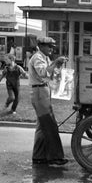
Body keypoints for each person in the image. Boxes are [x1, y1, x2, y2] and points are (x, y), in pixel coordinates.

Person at [28, 37, 69, 165]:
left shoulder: (45, 57)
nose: (51, 49)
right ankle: (55, 157)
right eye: (49, 46)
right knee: (50, 126)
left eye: (52, 46)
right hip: (39, 92)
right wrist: (55, 62)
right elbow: (43, 73)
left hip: (43, 91)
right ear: (41, 46)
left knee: (42, 126)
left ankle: (39, 156)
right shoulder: (37, 57)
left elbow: (52, 74)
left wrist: (58, 64)